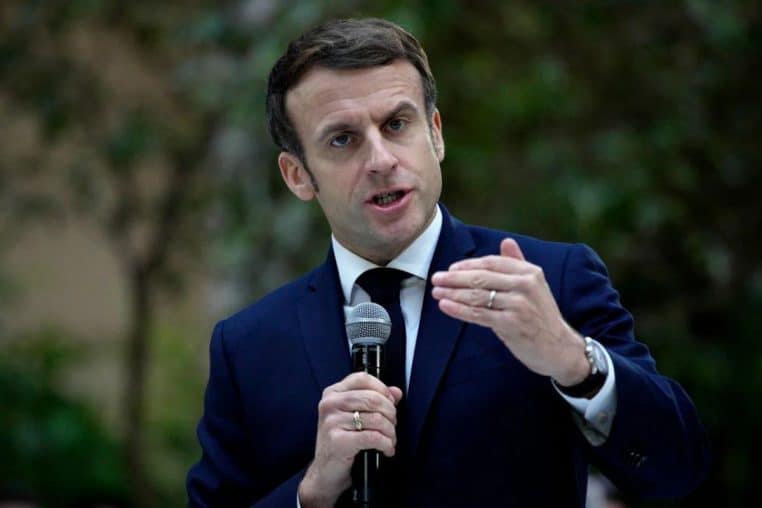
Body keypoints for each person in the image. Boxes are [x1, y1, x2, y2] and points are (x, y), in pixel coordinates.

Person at [187, 18, 709, 507]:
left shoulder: (550, 281)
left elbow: (678, 468)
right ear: (297, 175)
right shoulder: (248, 345)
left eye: (397, 124)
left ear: (435, 133)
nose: (381, 160)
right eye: (343, 139)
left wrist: (574, 362)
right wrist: (312, 491)